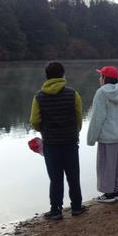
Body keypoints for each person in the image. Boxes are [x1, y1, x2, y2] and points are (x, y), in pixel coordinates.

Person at [29, 61, 84, 220]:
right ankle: (76, 207)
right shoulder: (73, 94)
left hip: (51, 144)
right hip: (70, 141)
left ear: (46, 76)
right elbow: (79, 116)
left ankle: (56, 210)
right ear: (63, 75)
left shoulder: (39, 96)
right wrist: (75, 131)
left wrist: (44, 130)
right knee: (73, 175)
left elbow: (34, 121)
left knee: (55, 177)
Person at [86, 66, 118, 202]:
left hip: (106, 136)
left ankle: (108, 194)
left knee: (105, 165)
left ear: (105, 78)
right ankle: (116, 191)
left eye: (100, 76)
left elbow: (97, 117)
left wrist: (91, 138)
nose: (99, 79)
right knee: (116, 163)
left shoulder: (101, 93)